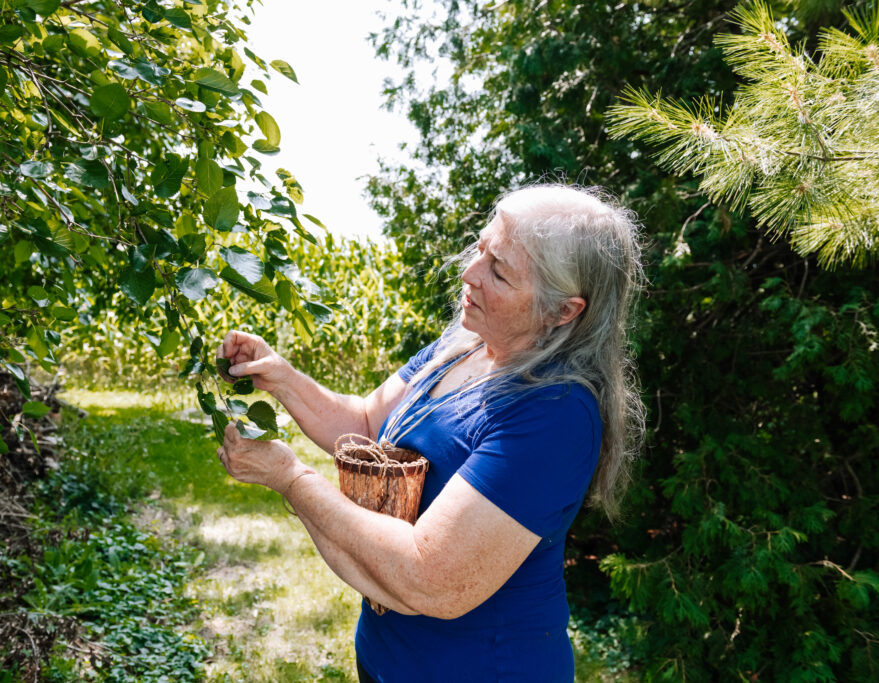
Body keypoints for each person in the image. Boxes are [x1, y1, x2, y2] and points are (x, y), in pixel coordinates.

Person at [216, 184, 645, 682]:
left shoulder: (556, 413)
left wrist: (290, 477)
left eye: (499, 271)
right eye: (481, 248)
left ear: (564, 311)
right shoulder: (464, 344)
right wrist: (281, 376)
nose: (470, 273)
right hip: (386, 658)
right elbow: (364, 426)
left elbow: (428, 580)